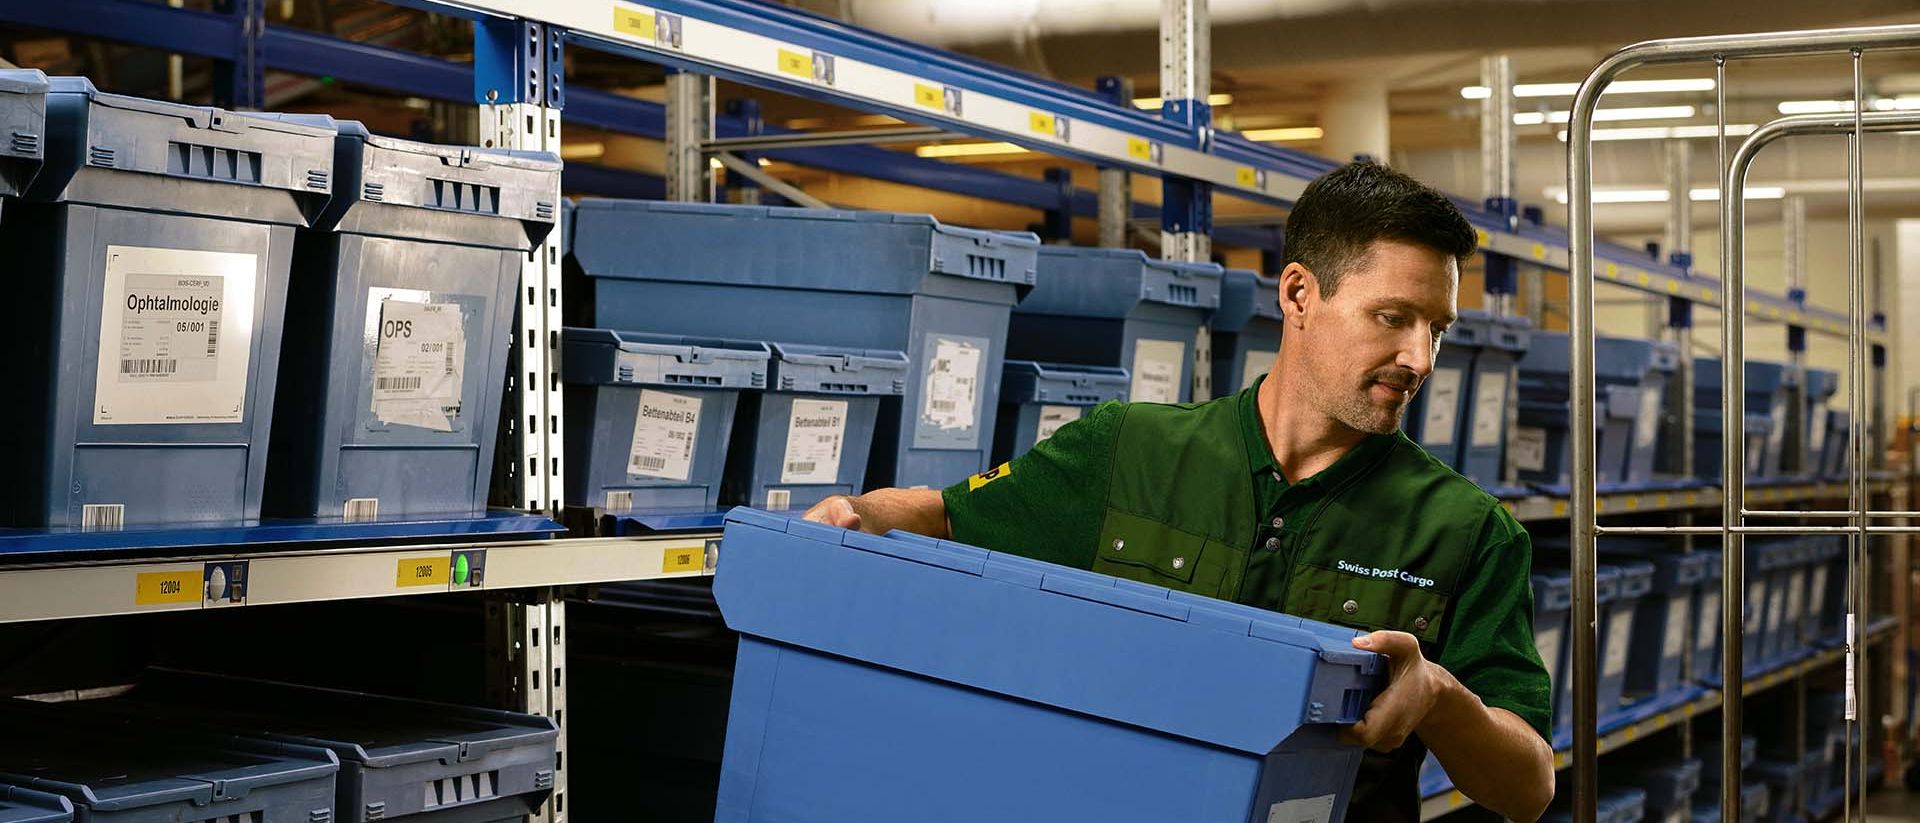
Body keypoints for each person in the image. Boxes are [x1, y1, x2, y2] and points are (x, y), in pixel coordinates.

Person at [803, 161, 1555, 822]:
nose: (1420, 356)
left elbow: (1529, 787)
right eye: (1392, 317)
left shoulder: (1468, 529)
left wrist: (1443, 699)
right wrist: (859, 512)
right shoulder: (1127, 449)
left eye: (1438, 327)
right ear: (1298, 293)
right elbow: (948, 517)